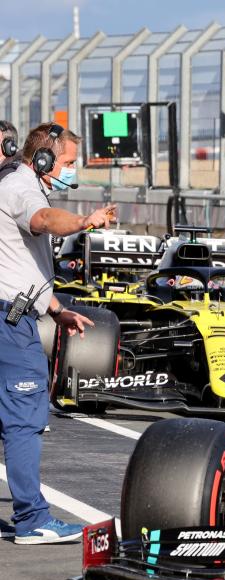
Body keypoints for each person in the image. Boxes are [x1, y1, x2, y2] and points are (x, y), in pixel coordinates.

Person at [0, 122, 115, 544]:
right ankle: (32, 520)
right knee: (25, 417)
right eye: (67, 162)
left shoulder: (9, 183)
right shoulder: (21, 185)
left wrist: (56, 308)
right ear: (44, 157)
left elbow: (14, 263)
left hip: (13, 312)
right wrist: (85, 220)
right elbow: (43, 218)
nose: (71, 170)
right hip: (10, 326)